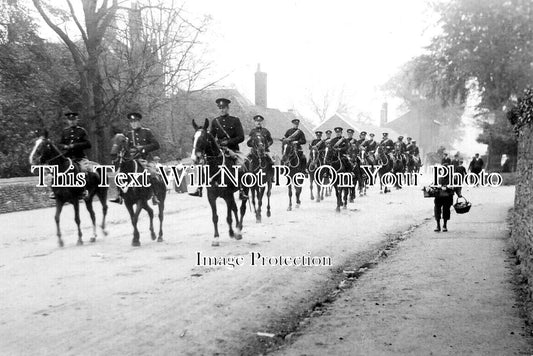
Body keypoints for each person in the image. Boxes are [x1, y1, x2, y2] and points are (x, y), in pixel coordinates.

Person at [190, 97, 246, 198]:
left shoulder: (235, 120)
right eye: (220, 108)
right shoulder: (215, 121)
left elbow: (241, 137)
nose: (222, 110)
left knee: (240, 164)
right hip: (218, 149)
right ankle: (199, 188)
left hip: (232, 149)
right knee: (205, 165)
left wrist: (228, 142)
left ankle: (242, 189)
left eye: (223, 107)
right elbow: (211, 137)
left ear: (228, 108)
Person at [110, 112, 161, 204]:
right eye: (131, 122)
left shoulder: (147, 132)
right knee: (119, 173)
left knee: (152, 173)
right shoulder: (128, 134)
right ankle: (119, 195)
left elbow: (156, 145)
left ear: (139, 122)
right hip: (133, 160)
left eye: (135, 121)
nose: (133, 124)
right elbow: (126, 148)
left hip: (146, 159)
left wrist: (143, 148)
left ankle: (154, 195)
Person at [50, 112, 92, 199]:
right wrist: (64, 146)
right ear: (68, 121)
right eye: (70, 120)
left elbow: (88, 144)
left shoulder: (82, 131)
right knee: (56, 171)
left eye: (73, 120)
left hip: (79, 157)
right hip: (67, 158)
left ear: (77, 120)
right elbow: (59, 144)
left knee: (83, 170)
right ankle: (54, 191)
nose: (72, 122)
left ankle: (84, 190)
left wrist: (75, 145)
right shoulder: (65, 132)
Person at [433, 163, 462, 232]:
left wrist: (459, 194)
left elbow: (457, 186)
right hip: (439, 196)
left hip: (448, 197)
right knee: (437, 209)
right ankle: (438, 225)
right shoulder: (438, 177)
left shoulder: (452, 178)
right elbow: (434, 185)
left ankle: (444, 225)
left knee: (446, 210)